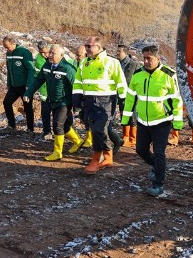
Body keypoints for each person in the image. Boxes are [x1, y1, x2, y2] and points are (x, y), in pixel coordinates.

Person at [122, 45, 183, 196]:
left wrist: (177, 122)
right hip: (143, 121)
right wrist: (125, 118)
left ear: (158, 59)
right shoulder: (137, 75)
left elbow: (177, 100)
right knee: (140, 150)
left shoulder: (169, 75)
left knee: (159, 152)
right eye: (144, 58)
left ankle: (158, 184)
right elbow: (130, 98)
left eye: (149, 58)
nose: (146, 61)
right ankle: (156, 166)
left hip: (162, 122)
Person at [73, 36, 127, 175]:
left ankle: (96, 159)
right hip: (89, 102)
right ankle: (108, 157)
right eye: (86, 46)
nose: (86, 49)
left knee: (98, 130)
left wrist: (124, 99)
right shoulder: (84, 62)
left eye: (89, 46)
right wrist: (76, 98)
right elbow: (78, 82)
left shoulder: (111, 62)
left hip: (106, 102)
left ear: (98, 47)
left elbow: (121, 82)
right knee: (98, 130)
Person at [23, 44, 82, 160]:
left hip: (64, 102)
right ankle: (78, 141)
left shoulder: (68, 69)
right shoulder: (47, 66)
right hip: (53, 101)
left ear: (61, 55)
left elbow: (77, 88)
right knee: (65, 126)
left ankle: (57, 152)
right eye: (49, 52)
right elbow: (38, 80)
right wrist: (28, 93)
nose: (49, 55)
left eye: (52, 53)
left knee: (57, 125)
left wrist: (77, 106)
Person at [1, 35, 35, 134]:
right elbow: (9, 70)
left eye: (7, 46)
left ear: (13, 44)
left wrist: (29, 85)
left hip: (25, 86)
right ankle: (11, 125)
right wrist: (9, 83)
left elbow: (30, 69)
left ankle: (30, 129)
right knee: (6, 102)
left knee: (27, 106)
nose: (6, 49)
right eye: (4, 47)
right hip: (14, 86)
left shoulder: (24, 53)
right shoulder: (8, 53)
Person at [117, 44, 141, 146]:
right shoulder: (117, 64)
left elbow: (139, 79)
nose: (117, 53)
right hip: (121, 94)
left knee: (132, 116)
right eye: (117, 51)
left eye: (119, 51)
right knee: (124, 115)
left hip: (132, 94)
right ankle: (125, 137)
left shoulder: (134, 64)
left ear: (125, 52)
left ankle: (133, 138)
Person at [33, 41, 53, 141]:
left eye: (46, 52)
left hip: (56, 91)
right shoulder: (39, 60)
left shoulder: (57, 57)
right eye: (41, 52)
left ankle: (68, 130)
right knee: (45, 111)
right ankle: (47, 131)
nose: (44, 54)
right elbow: (37, 76)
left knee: (62, 113)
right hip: (45, 91)